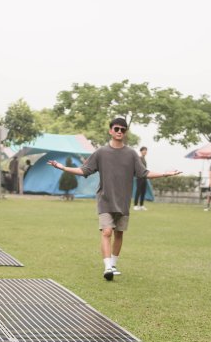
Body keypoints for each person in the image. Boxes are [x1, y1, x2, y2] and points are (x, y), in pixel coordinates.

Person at [47, 118, 180, 281]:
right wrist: (63, 167)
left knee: (119, 233)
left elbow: (144, 173)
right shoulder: (101, 152)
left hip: (123, 201)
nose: (119, 132)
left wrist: (165, 173)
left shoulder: (131, 154)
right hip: (105, 199)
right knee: (107, 231)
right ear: (110, 130)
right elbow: (84, 170)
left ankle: (114, 264)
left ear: (125, 133)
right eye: (116, 129)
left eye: (123, 130)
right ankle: (107, 266)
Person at [133, 146, 149, 211]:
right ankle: (135, 205)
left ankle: (141, 205)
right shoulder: (139, 158)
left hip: (144, 177)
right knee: (138, 191)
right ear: (141, 151)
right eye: (144, 150)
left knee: (143, 191)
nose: (145, 152)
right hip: (139, 177)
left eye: (146, 150)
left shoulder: (144, 159)